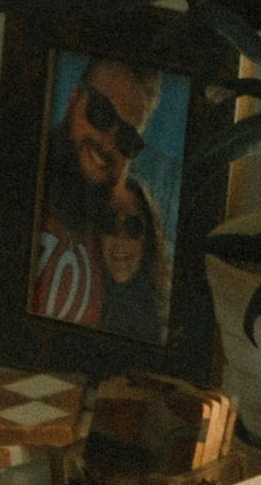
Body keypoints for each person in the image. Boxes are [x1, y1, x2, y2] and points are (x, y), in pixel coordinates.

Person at [28, 56, 161, 334]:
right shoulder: (17, 177)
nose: (108, 144)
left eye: (127, 138)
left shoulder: (105, 240)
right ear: (73, 100)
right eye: (101, 114)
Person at [94, 175, 170, 346]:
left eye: (133, 226)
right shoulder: (80, 306)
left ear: (147, 239)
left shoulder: (165, 323)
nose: (120, 238)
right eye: (110, 224)